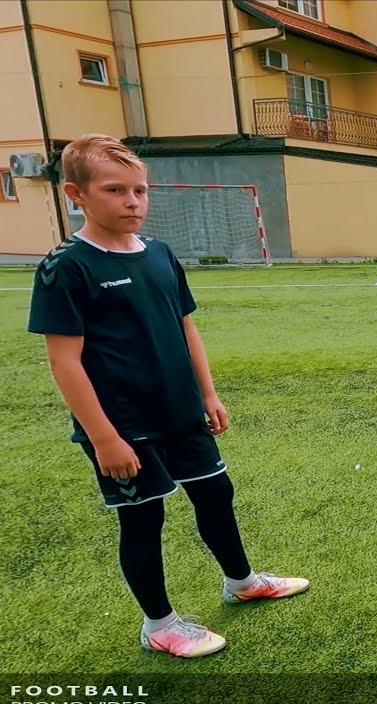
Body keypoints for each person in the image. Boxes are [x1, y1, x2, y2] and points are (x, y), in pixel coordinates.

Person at [26, 134, 309, 658]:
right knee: (144, 518)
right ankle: (158, 624)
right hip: (122, 427)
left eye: (140, 190)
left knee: (215, 495)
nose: (133, 201)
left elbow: (185, 328)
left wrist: (208, 393)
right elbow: (64, 361)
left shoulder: (159, 253)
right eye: (116, 190)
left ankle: (241, 581)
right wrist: (104, 438)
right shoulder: (66, 266)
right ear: (76, 194)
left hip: (181, 413)